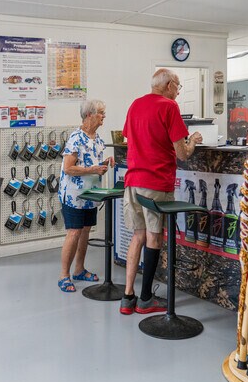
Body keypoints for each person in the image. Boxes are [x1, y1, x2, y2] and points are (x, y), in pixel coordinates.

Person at [119, 69, 203, 314]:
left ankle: (128, 297)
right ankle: (145, 299)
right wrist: (194, 140)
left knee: (138, 236)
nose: (178, 90)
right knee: (154, 238)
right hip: (156, 183)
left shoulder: (135, 105)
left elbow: (128, 138)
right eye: (177, 86)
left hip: (132, 181)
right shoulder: (169, 107)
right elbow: (183, 153)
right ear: (168, 86)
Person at [57, 99, 114, 293]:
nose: (103, 116)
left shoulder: (97, 139)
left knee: (85, 232)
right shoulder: (75, 138)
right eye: (100, 112)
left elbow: (96, 168)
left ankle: (79, 269)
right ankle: (64, 275)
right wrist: (92, 169)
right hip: (73, 195)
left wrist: (105, 163)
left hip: (91, 194)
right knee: (74, 232)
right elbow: (68, 168)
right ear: (89, 115)